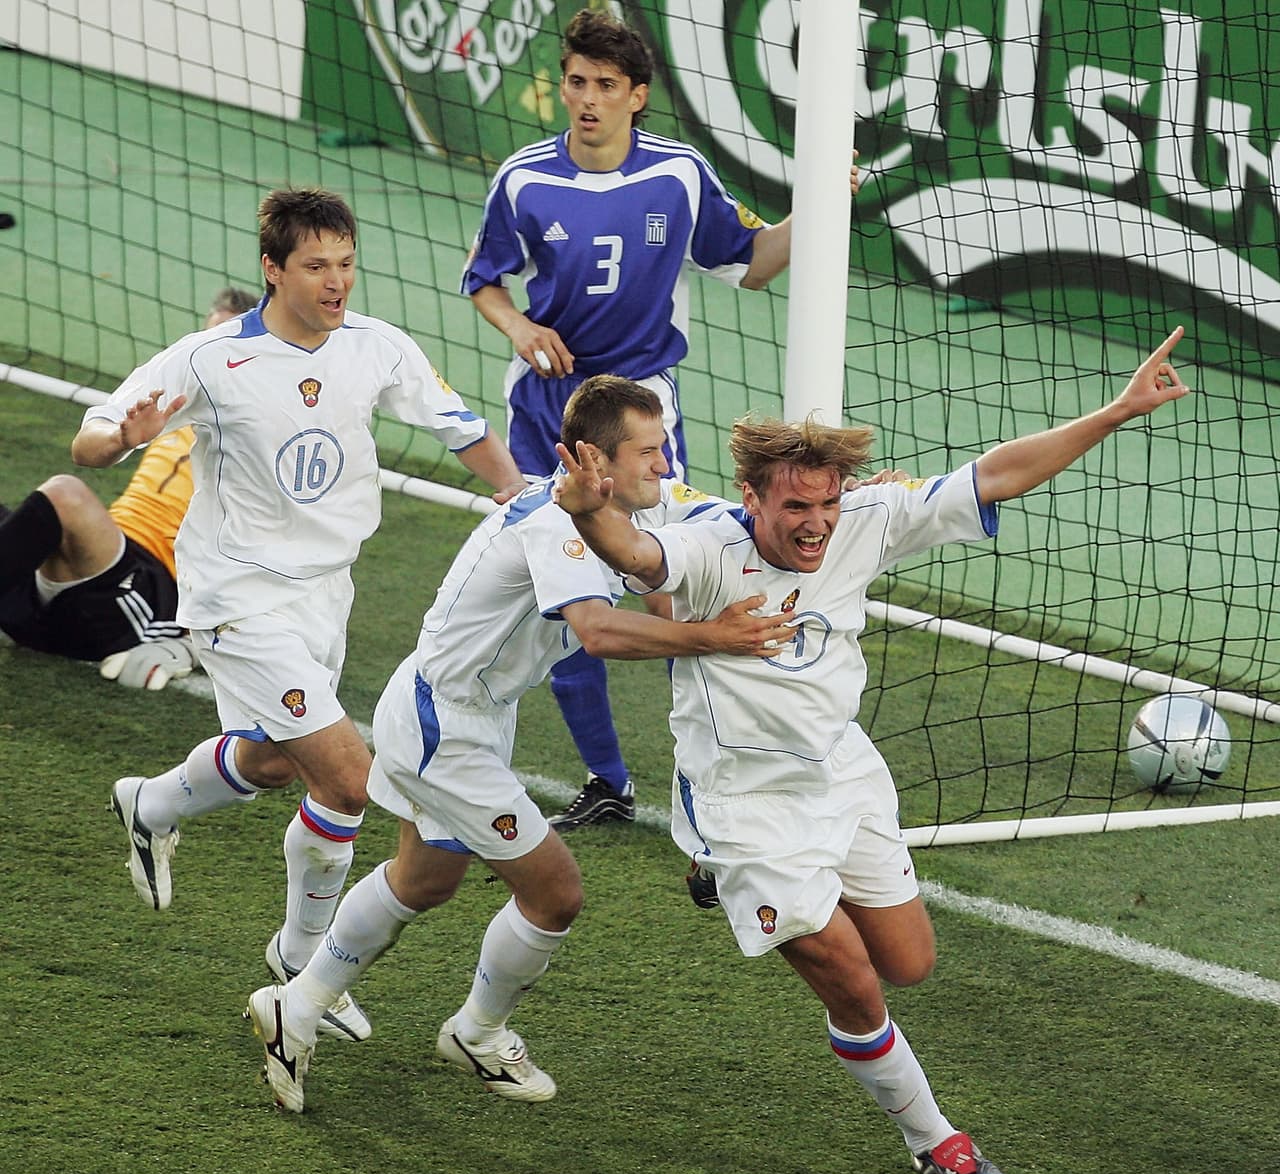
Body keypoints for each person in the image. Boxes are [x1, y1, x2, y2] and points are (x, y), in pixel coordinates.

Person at [553, 328, 1192, 1174]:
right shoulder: (708, 550)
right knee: (854, 982)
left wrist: (1118, 410)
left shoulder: (866, 520)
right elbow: (635, 554)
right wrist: (589, 508)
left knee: (908, 962)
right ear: (751, 497)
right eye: (794, 509)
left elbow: (996, 473)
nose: (815, 524)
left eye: (827, 502)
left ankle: (738, 884)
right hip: (748, 802)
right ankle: (936, 1140)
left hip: (842, 772)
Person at [244, 374, 798, 1112]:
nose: (664, 466)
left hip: (464, 713)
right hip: (445, 724)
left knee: (425, 880)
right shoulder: (551, 525)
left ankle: (300, 1003)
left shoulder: (640, 500)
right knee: (555, 892)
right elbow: (599, 632)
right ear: (591, 461)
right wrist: (716, 637)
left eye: (662, 449)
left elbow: (725, 518)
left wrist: (837, 504)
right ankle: (477, 1032)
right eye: (649, 452)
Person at [72, 188, 525, 1044]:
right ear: (273, 269)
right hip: (237, 597)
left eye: (346, 263)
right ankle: (302, 960)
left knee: (277, 763)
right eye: (316, 266)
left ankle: (152, 805)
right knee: (347, 777)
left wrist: (518, 495)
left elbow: (462, 427)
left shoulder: (376, 347)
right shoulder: (211, 359)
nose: (336, 282)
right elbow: (90, 441)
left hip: (326, 591)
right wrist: (122, 436)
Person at [462, 8, 842, 829]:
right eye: (575, 83)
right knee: (555, 594)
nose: (586, 100)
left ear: (637, 96)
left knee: (674, 595)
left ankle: (718, 788)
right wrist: (521, 329)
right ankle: (607, 781)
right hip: (544, 411)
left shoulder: (677, 173)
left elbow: (754, 264)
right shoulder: (525, 179)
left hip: (639, 412)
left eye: (605, 86)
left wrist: (818, 209)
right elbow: (484, 279)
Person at [0, 287, 257, 689]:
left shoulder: (266, 437)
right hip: (83, 579)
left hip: (146, 593)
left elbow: (274, 555)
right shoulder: (173, 408)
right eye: (206, 340)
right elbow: (84, 449)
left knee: (65, 495)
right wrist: (121, 439)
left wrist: (193, 643)